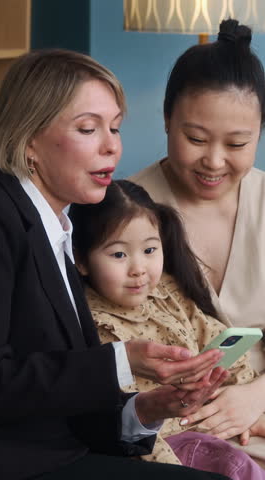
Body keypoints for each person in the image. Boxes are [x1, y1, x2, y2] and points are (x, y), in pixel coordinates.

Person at [0, 49, 231, 480]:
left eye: (116, 127)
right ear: (29, 138)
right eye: (88, 128)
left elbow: (66, 399)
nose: (112, 145)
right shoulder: (1, 216)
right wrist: (123, 360)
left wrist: (149, 408)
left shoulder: (56, 228)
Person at [130, 18, 265, 467]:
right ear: (166, 118)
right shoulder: (123, 211)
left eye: (238, 143)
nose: (214, 161)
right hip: (176, 429)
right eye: (195, 139)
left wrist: (254, 397)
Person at [69, 178, 265, 479]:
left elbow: (221, 347)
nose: (138, 268)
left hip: (214, 417)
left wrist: (250, 409)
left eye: (150, 250)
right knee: (239, 468)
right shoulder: (92, 324)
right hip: (167, 444)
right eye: (119, 254)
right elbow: (130, 424)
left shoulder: (169, 293)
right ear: (82, 260)